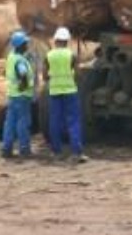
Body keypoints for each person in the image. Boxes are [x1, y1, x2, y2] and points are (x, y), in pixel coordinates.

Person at [44, 26, 88, 163]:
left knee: (55, 121)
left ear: (56, 40)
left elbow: (45, 76)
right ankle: (76, 152)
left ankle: (56, 151)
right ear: (67, 41)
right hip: (70, 91)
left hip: (55, 91)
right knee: (73, 121)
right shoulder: (71, 56)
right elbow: (78, 74)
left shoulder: (49, 56)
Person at [2, 30, 34, 159]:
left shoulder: (11, 57)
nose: (27, 45)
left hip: (12, 95)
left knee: (10, 123)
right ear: (21, 45)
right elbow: (22, 74)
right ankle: (24, 148)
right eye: (25, 43)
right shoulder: (20, 60)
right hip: (22, 96)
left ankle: (6, 149)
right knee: (23, 123)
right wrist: (24, 85)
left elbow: (5, 73)